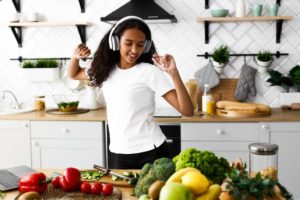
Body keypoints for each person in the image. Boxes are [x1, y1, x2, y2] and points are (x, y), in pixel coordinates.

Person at [68, 16, 193, 169]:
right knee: (121, 194)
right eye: (128, 43)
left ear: (146, 46)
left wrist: (173, 73)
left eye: (140, 45)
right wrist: (75, 57)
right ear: (115, 42)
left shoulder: (149, 72)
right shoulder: (104, 70)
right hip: (118, 152)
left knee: (155, 194)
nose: (135, 50)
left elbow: (187, 111)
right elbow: (74, 74)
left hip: (151, 151)